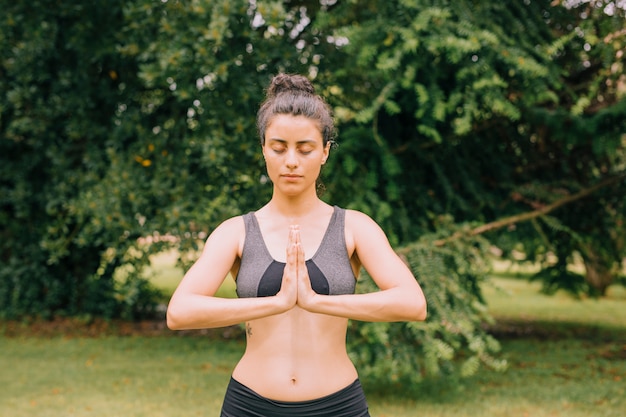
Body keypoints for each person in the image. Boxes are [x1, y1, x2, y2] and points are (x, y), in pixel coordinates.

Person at [166, 73, 427, 417]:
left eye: (305, 149)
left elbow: (412, 304)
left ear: (324, 153)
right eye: (278, 148)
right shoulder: (236, 232)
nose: (291, 160)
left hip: (338, 406)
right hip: (250, 405)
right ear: (264, 150)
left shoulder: (354, 228)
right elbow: (179, 312)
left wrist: (316, 301)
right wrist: (276, 303)